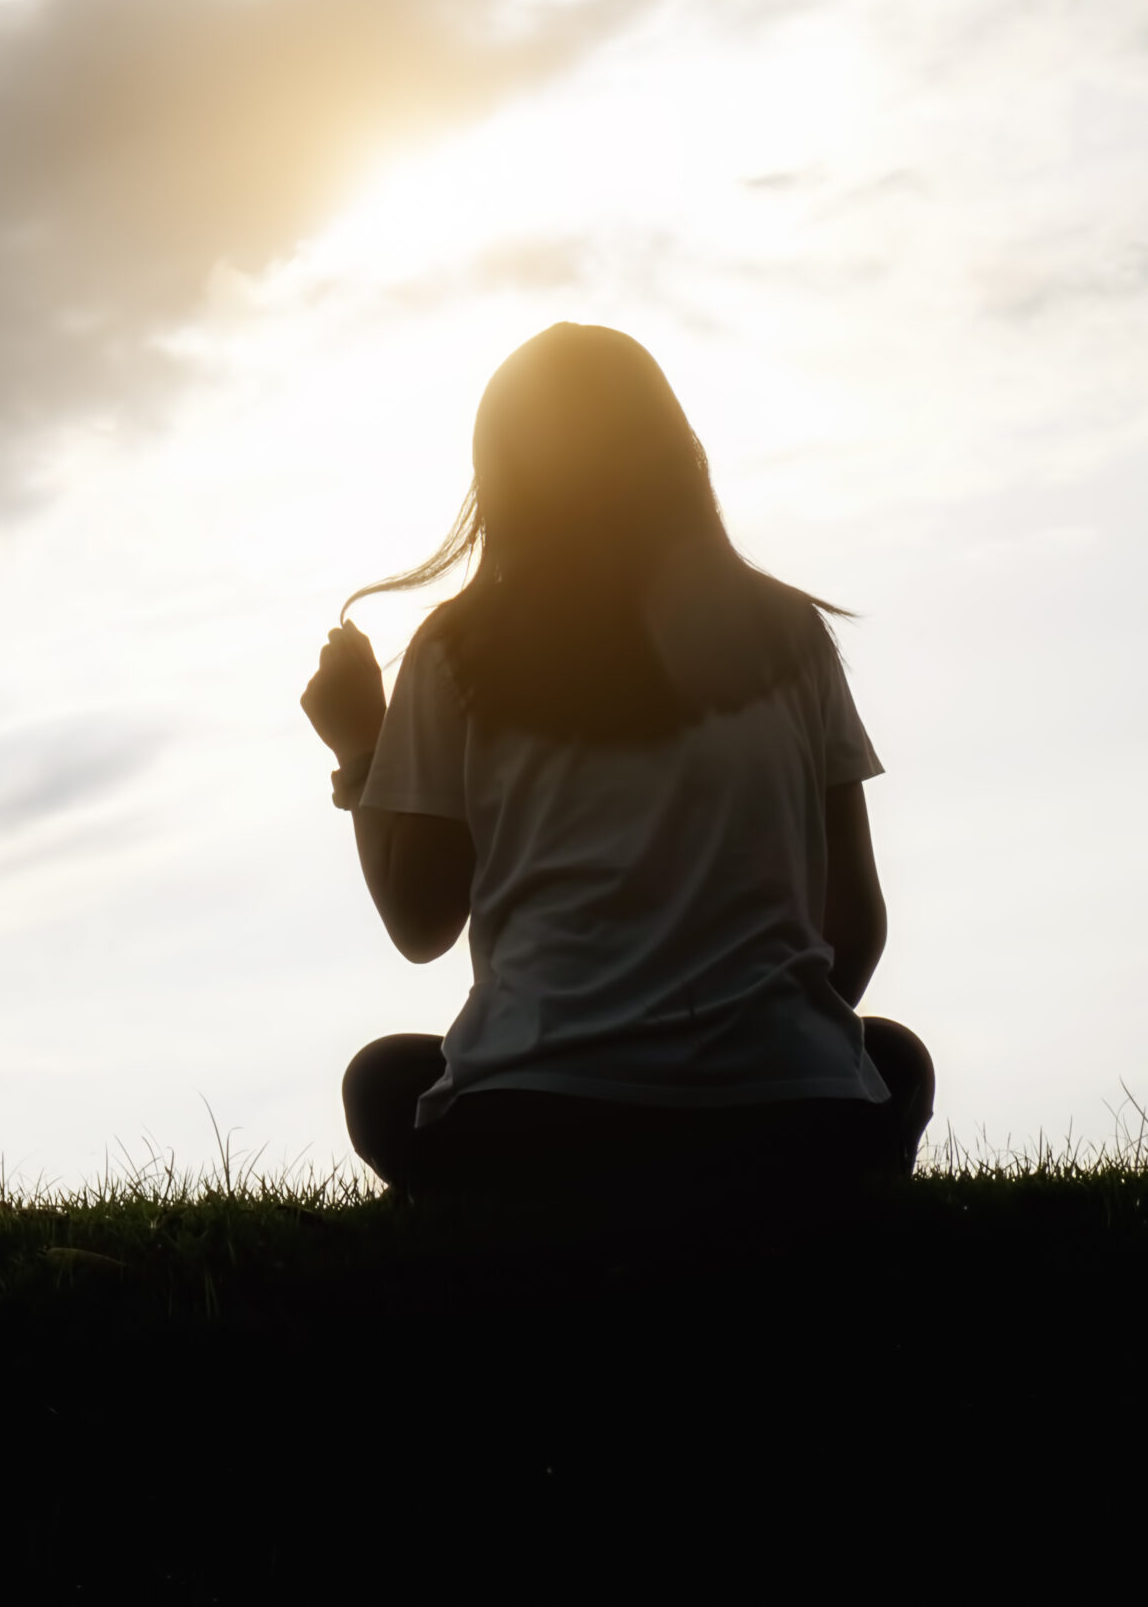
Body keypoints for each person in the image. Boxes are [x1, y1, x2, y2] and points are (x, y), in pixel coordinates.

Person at [301, 323, 934, 1199]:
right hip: (793, 1127)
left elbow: (420, 924)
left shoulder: (461, 651)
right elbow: (854, 925)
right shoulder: (789, 635)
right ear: (675, 454)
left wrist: (360, 747)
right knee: (893, 1056)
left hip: (543, 1131)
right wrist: (760, 1040)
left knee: (382, 1080)